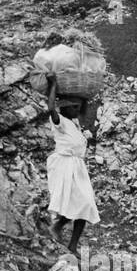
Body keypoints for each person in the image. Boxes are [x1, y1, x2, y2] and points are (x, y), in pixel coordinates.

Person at [45, 75, 99, 257]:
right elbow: (51, 107)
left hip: (77, 167)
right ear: (65, 108)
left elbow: (83, 107)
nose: (77, 109)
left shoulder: (74, 123)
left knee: (84, 204)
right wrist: (53, 84)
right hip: (65, 164)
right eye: (73, 107)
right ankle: (58, 228)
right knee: (76, 201)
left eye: (77, 107)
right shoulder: (59, 121)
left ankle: (70, 243)